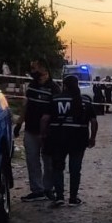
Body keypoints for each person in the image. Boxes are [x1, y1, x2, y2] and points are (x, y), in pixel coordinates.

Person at [44, 74, 98, 207]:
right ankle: (73, 198)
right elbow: (93, 121)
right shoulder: (85, 101)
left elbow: (45, 119)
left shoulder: (55, 99)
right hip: (79, 139)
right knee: (75, 169)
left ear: (64, 86)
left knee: (57, 167)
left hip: (58, 138)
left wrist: (43, 135)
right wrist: (92, 137)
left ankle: (59, 197)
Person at [13, 59, 59, 201]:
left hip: (47, 134)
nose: (32, 71)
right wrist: (19, 124)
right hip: (30, 130)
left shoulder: (54, 88)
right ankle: (37, 190)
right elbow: (26, 106)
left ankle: (48, 188)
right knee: (32, 162)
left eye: (34, 68)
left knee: (48, 163)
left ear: (44, 69)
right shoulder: (32, 86)